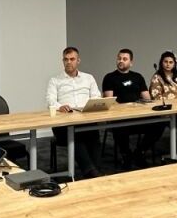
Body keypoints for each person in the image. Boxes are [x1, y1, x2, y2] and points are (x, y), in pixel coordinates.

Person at [45, 46, 102, 179]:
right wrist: (60, 107)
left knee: (94, 135)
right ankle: (92, 173)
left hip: (85, 118)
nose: (69, 62)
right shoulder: (55, 80)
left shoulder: (88, 78)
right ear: (63, 61)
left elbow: (96, 96)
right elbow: (50, 100)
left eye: (72, 59)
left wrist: (90, 106)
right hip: (64, 123)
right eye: (66, 59)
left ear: (78, 61)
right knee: (76, 137)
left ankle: (96, 169)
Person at [101, 48, 157, 169]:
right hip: (120, 116)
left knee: (159, 123)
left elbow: (147, 98)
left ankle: (140, 152)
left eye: (124, 59)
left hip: (137, 114)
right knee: (119, 125)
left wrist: (142, 105)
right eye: (119, 58)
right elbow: (109, 100)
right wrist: (125, 108)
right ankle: (126, 154)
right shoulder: (109, 77)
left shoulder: (138, 77)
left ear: (131, 62)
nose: (121, 61)